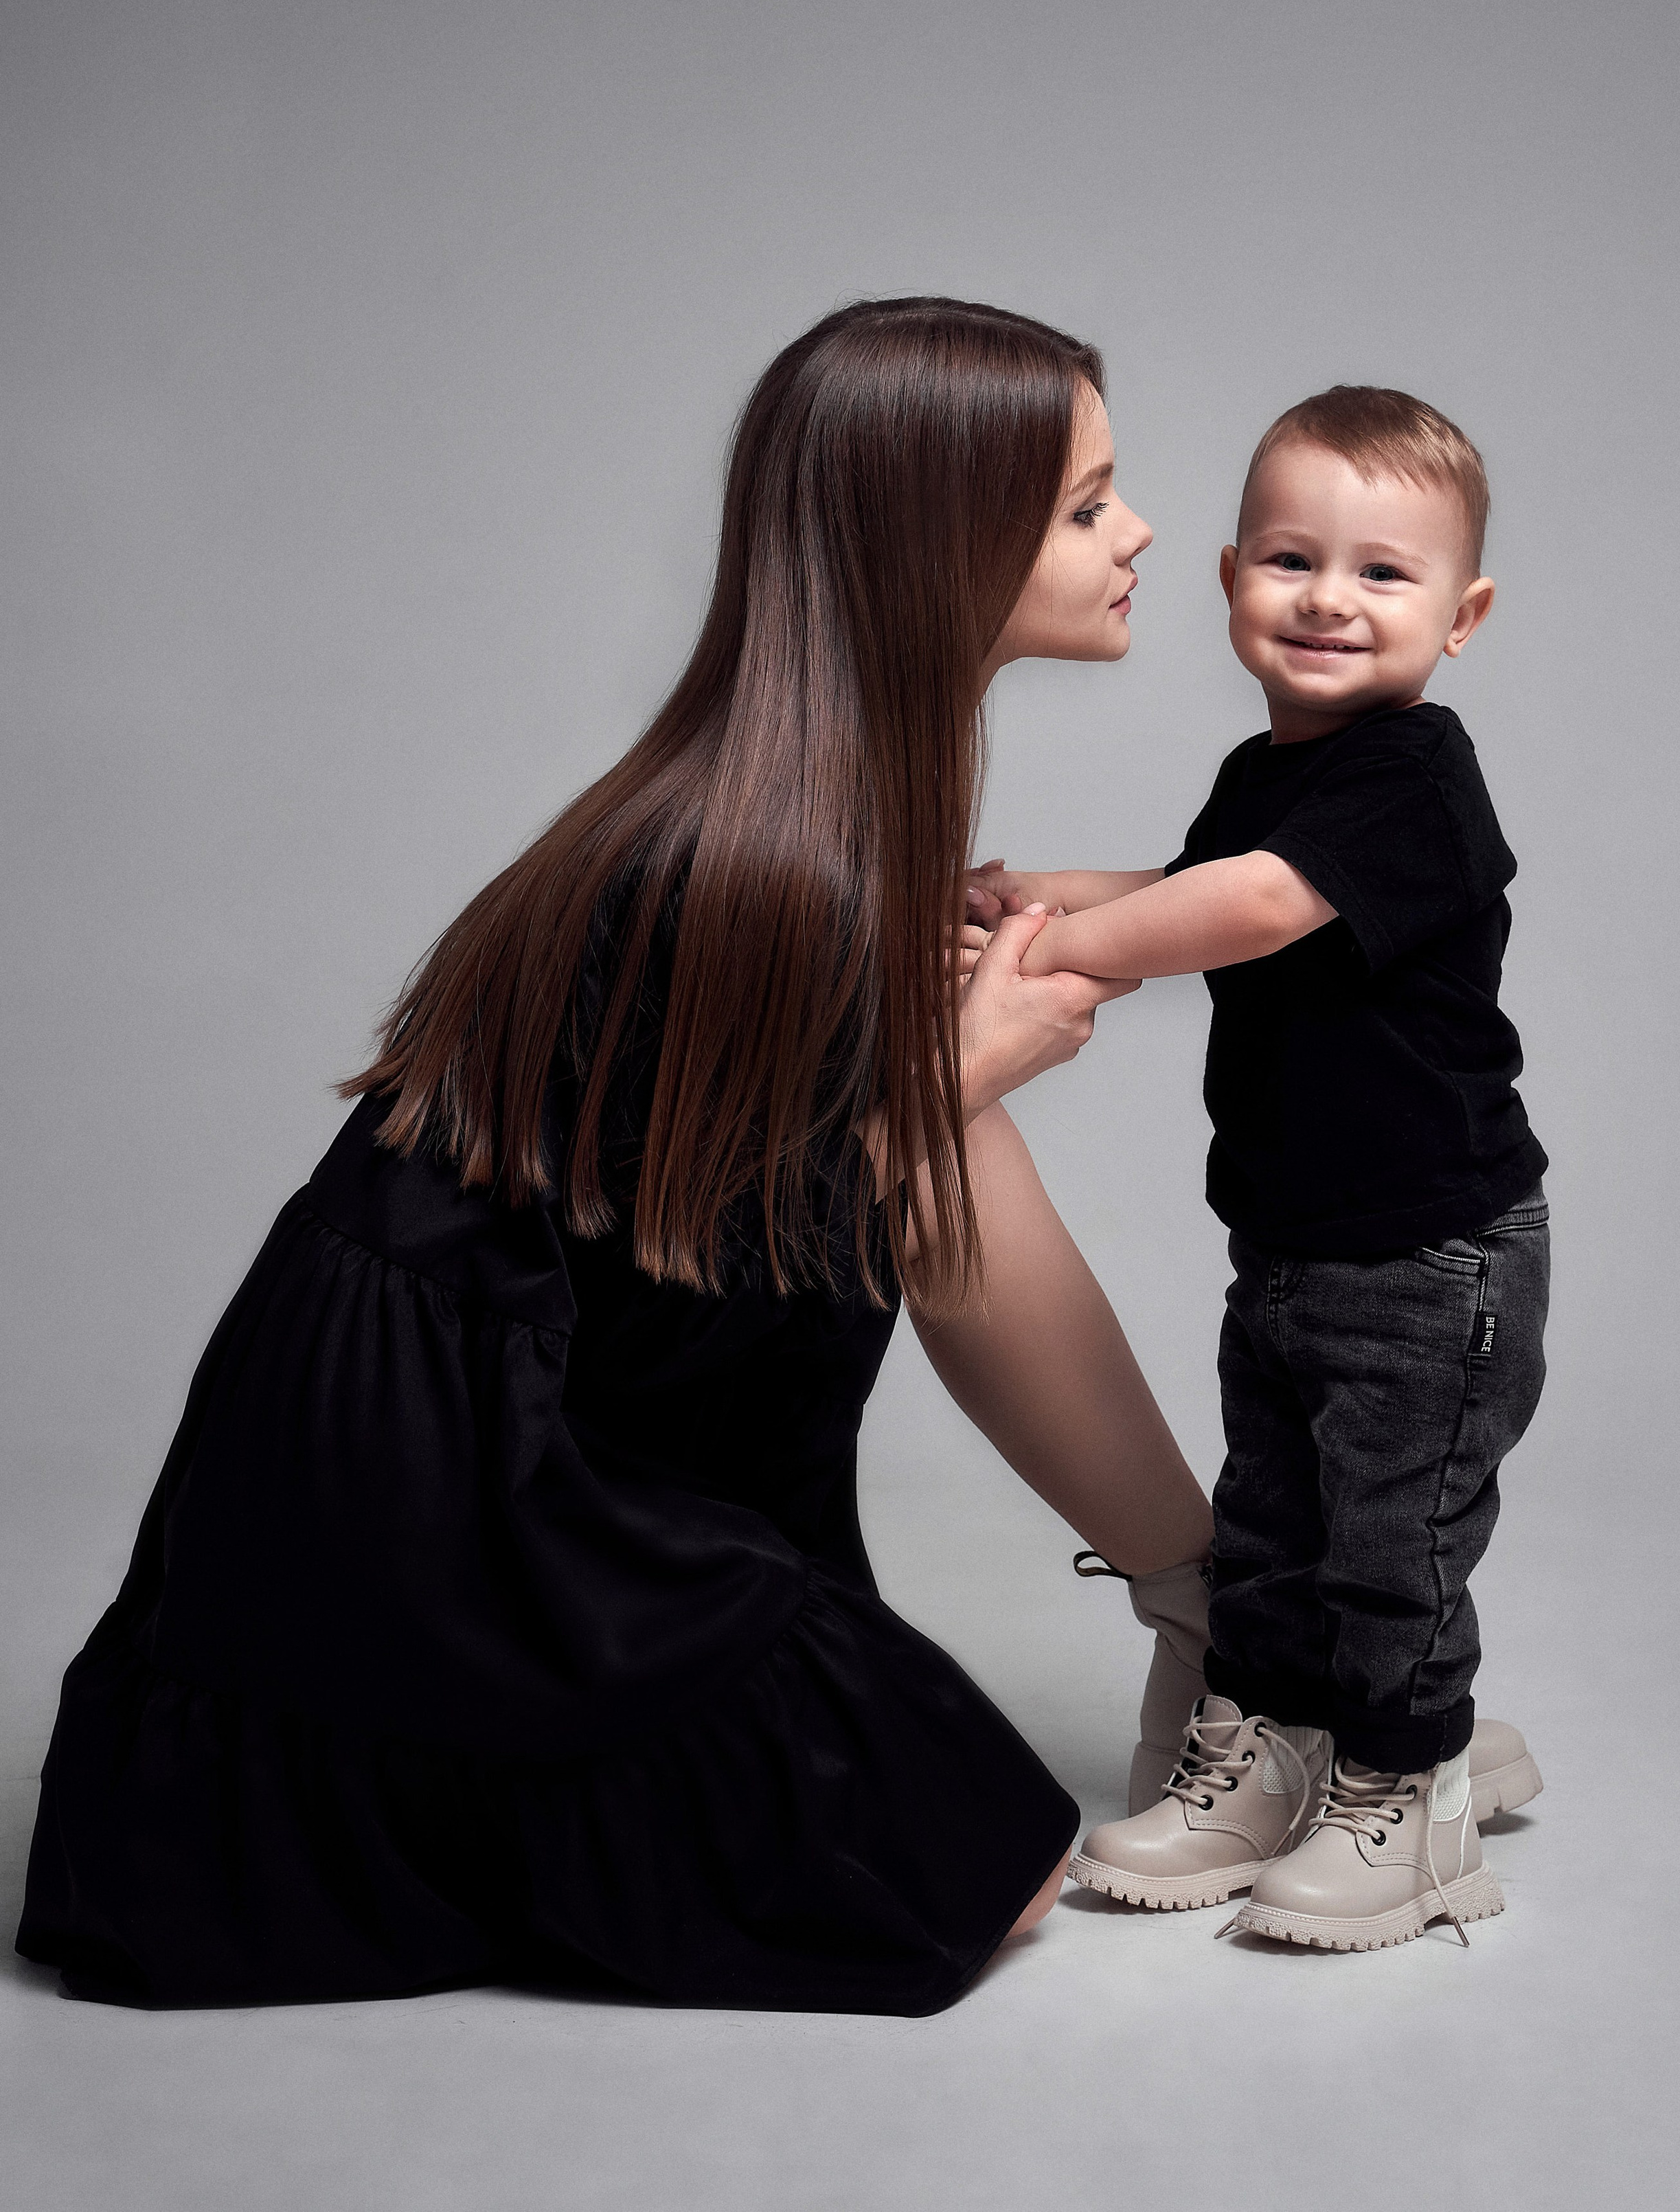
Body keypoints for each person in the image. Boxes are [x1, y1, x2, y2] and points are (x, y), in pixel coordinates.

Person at [16, 296, 1214, 2016]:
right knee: (989, 1875)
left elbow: (786, 1232)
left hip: (548, 1443)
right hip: (439, 1511)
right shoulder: (743, 859)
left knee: (956, 1158)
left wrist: (947, 1057)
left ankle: (1211, 1602)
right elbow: (691, 1280)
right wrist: (947, 1071)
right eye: (1087, 503)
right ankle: (1210, 1604)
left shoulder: (821, 811)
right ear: (943, 545)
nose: (1138, 530)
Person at [966, 387, 1547, 1950]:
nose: (1326, 601)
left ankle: (1412, 1799)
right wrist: (1036, 894)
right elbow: (1190, 882)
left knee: (1389, 1548)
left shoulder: (1412, 777)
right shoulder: (1267, 770)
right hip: (1294, 1246)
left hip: (1433, 1255)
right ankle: (1275, 1760)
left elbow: (1258, 913)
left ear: (1461, 613)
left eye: (1381, 573)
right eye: (1291, 559)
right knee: (1277, 1526)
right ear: (1230, 579)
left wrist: (1063, 953)